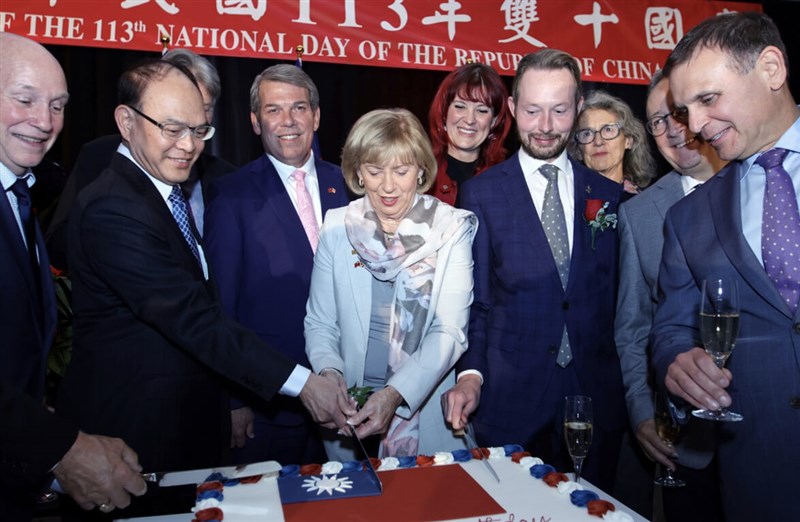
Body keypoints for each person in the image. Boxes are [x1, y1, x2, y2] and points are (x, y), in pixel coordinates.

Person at [56, 59, 353, 482]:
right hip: (136, 435)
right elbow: (197, 317)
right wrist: (303, 384)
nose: (188, 145)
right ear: (126, 122)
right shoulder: (114, 206)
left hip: (181, 425)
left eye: (199, 131)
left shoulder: (162, 194)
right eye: (171, 128)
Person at [443, 49, 626, 493]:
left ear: (578, 108)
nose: (545, 126)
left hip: (594, 400)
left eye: (559, 110)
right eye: (532, 110)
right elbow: (478, 302)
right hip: (511, 401)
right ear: (511, 108)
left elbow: (622, 302)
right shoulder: (480, 194)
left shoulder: (609, 195)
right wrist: (470, 375)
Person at [652, 12, 800, 522]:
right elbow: (670, 329)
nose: (692, 127)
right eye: (683, 109)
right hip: (760, 478)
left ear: (771, 69)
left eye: (707, 100)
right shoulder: (689, 218)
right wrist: (677, 364)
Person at [0, 32, 146, 518]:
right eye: (24, 100)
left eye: (58, 106)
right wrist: (62, 447)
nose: (43, 122)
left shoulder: (21, 195)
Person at [305, 108, 477, 460]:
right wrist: (330, 373)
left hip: (424, 414)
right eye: (374, 170)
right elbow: (320, 322)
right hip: (347, 418)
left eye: (401, 170)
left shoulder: (452, 227)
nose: (387, 185)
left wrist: (395, 393)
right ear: (357, 173)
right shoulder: (336, 228)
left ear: (421, 171)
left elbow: (449, 331)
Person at [204, 63, 349, 465]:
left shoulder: (351, 186)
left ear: (316, 116)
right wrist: (234, 400)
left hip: (348, 400)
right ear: (255, 121)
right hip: (268, 405)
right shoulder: (232, 195)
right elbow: (222, 307)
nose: (287, 121)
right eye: (273, 110)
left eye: (299, 108)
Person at [614, 69, 726, 521]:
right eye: (657, 121)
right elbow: (631, 326)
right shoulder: (639, 215)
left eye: (678, 113)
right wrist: (642, 413)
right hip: (680, 438)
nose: (672, 129)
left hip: (771, 429)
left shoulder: (758, 183)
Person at [45, 48, 235, 270]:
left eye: (204, 108)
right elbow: (58, 245)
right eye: (181, 110)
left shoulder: (225, 177)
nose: (194, 119)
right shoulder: (101, 157)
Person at [427, 62, 512, 206]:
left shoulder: (509, 180)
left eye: (482, 110)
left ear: (494, 120)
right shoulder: (420, 173)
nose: (469, 120)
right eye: (460, 107)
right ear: (444, 112)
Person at [570, 90, 655, 198]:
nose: (598, 142)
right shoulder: (568, 202)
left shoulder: (645, 203)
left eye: (608, 129)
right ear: (578, 150)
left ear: (628, 140)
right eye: (587, 133)